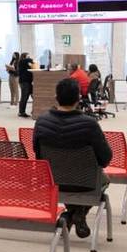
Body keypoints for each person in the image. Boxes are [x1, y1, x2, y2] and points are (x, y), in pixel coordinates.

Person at [32, 78, 112, 240]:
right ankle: (78, 213)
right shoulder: (90, 124)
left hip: (53, 182)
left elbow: (38, 154)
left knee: (66, 177)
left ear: (56, 97)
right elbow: (105, 158)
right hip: (86, 183)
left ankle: (71, 214)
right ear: (78, 98)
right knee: (105, 179)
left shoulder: (42, 122)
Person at [18, 52, 34, 118]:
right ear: (24, 56)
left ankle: (34, 111)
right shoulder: (22, 61)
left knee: (32, 96)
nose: (29, 57)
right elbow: (29, 60)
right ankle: (21, 112)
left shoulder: (26, 62)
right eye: (28, 56)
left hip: (28, 82)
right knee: (24, 97)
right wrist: (30, 59)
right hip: (24, 82)